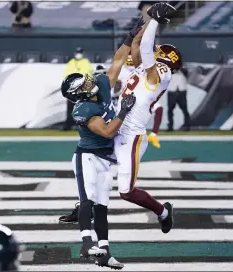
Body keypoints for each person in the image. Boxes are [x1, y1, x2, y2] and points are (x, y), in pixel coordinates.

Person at [60, 3, 179, 235]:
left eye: (159, 52)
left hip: (131, 136)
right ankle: (85, 205)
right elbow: (136, 46)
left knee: (125, 191)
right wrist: (143, 26)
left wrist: (153, 22)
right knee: (87, 159)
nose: (156, 51)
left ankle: (163, 212)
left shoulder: (159, 75)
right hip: (118, 128)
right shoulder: (144, 70)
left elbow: (142, 50)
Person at [60, 15, 145, 270]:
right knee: (87, 201)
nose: (91, 81)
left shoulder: (100, 84)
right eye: (86, 84)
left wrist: (131, 36)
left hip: (107, 159)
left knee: (102, 208)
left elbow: (119, 59)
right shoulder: (83, 109)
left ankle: (104, 252)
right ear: (81, 94)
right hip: (87, 156)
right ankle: (86, 243)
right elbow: (107, 132)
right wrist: (123, 112)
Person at [118, 55, 164, 148]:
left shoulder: (137, 67)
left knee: (158, 108)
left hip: (136, 96)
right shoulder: (130, 68)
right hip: (128, 98)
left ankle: (153, 135)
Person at [62, 47, 93, 131]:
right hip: (72, 89)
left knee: (82, 107)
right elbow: (66, 76)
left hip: (82, 88)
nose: (78, 54)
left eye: (80, 52)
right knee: (70, 107)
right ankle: (68, 124)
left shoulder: (86, 62)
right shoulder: (71, 63)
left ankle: (82, 125)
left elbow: (89, 75)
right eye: (77, 52)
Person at [167, 66, 190, 131]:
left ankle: (187, 126)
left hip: (182, 91)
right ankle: (170, 127)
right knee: (170, 110)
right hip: (172, 91)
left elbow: (186, 73)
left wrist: (179, 68)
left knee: (185, 110)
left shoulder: (183, 68)